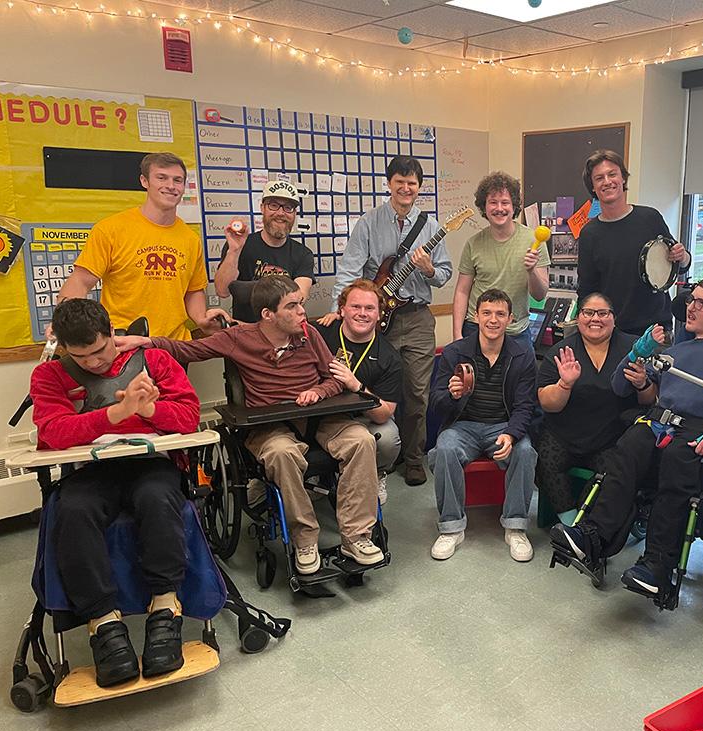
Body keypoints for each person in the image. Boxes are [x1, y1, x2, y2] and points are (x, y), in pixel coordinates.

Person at [117, 275, 383, 574]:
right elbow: (186, 351)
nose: (301, 313)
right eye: (292, 306)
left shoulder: (309, 336)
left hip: (318, 416)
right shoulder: (238, 339)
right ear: (268, 314)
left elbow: (335, 377)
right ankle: (305, 540)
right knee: (283, 453)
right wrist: (147, 342)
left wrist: (318, 391)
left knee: (362, 439)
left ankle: (357, 537)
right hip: (268, 425)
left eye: (301, 305)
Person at [551, 277, 703, 596]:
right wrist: (638, 357)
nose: (691, 307)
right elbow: (620, 386)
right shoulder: (676, 349)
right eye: (690, 300)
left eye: (701, 303)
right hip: (660, 422)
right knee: (628, 449)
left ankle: (657, 563)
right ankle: (591, 535)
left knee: (677, 459)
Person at [30, 298, 200, 687]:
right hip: (93, 470)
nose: (93, 363)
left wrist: (149, 411)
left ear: (113, 335)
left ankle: (165, 606)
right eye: (82, 356)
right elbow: (53, 432)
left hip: (151, 463)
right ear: (65, 349)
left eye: (100, 350)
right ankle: (103, 622)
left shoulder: (153, 361)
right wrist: (114, 415)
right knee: (71, 509)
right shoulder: (50, 375)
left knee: (156, 498)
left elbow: (188, 417)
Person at [321, 155, 453, 487]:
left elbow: (445, 274)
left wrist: (428, 269)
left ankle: (413, 459)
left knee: (417, 392)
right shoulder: (368, 223)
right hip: (377, 321)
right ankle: (378, 454)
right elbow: (350, 268)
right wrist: (341, 308)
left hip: (418, 318)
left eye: (412, 183)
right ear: (389, 183)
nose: (406, 188)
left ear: (419, 188)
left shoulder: (432, 227)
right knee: (377, 387)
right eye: (400, 181)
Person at [56, 152, 227, 339]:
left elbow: (193, 291)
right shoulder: (111, 229)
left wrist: (201, 319)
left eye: (177, 180)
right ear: (144, 181)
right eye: (161, 178)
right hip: (123, 342)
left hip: (174, 346)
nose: (171, 186)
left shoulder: (190, 239)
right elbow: (80, 281)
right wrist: (63, 320)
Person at [427, 289, 538, 563]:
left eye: (500, 314)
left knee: (525, 451)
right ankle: (451, 528)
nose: (493, 320)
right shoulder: (455, 352)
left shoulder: (523, 355)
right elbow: (436, 403)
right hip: (463, 425)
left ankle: (515, 527)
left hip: (503, 424)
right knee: (445, 448)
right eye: (487, 313)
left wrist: (511, 435)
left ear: (510, 319)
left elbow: (526, 406)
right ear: (476, 316)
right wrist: (452, 396)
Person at [535, 293, 654, 520]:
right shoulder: (561, 352)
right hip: (564, 434)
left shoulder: (635, 349)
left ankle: (586, 523)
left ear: (614, 318)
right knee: (546, 460)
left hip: (612, 438)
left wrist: (642, 383)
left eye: (602, 313)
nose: (595, 319)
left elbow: (650, 400)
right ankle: (569, 522)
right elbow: (548, 404)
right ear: (578, 318)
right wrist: (564, 384)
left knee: (616, 473)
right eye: (588, 312)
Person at [576, 149, 691, 335]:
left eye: (612, 174)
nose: (607, 181)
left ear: (623, 179)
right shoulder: (589, 234)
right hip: (611, 332)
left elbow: (679, 265)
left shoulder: (650, 218)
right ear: (593, 187)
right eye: (599, 178)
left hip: (656, 330)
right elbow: (587, 289)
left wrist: (683, 256)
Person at [315, 279, 404, 504]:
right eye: (355, 307)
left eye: (369, 308)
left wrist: (356, 386)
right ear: (342, 309)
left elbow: (384, 413)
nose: (362, 313)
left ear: (379, 315)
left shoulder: (389, 357)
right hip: (319, 417)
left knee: (388, 437)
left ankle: (378, 472)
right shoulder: (321, 333)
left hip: (363, 419)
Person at [452, 171, 549, 347]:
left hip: (516, 332)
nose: (499, 208)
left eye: (505, 202)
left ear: (514, 207)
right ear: (484, 207)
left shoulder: (534, 241)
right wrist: (457, 334)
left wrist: (531, 271)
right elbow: (462, 291)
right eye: (493, 202)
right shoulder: (473, 244)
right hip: (476, 329)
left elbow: (540, 294)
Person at [213, 180, 315, 322]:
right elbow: (222, 290)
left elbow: (298, 298)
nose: (280, 213)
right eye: (273, 205)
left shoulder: (303, 254)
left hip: (286, 334)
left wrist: (241, 289)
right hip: (246, 333)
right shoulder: (239, 246)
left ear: (294, 213)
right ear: (262, 208)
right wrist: (234, 251)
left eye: (288, 208)